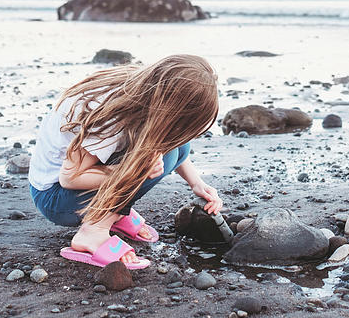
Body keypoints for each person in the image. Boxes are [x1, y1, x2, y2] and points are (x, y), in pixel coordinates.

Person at [28, 54, 223, 269]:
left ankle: (114, 215)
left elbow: (173, 142)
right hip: (55, 197)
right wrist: (132, 171)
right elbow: (70, 178)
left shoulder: (142, 89)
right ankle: (92, 233)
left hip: (72, 186)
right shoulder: (110, 116)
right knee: (150, 161)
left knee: (174, 148)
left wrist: (197, 183)